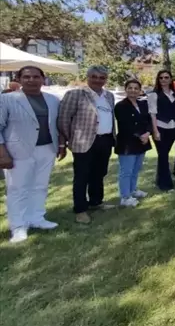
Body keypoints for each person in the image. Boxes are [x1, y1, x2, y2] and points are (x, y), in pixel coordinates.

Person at [0, 66, 65, 243]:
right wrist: (2, 153)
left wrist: (61, 144)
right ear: (19, 79)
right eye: (27, 77)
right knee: (18, 189)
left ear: (43, 79)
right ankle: (18, 226)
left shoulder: (52, 100)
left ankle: (37, 217)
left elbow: (56, 124)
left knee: (40, 185)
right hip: (18, 151)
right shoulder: (7, 99)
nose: (31, 80)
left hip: (47, 149)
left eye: (36, 77)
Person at [58, 65, 116, 224]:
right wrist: (71, 138)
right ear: (88, 77)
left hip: (105, 140)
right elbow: (64, 119)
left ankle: (96, 202)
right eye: (94, 77)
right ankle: (80, 209)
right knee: (82, 176)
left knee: (99, 173)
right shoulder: (75, 94)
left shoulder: (109, 95)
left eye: (102, 78)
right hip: (83, 141)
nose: (98, 80)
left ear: (106, 79)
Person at [114, 79, 151, 207]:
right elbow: (125, 125)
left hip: (142, 142)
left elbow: (148, 121)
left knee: (136, 169)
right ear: (126, 89)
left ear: (140, 90)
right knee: (126, 171)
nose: (133, 90)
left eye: (136, 88)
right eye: (130, 88)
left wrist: (147, 133)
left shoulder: (143, 104)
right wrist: (140, 135)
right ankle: (125, 197)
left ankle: (133, 190)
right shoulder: (120, 106)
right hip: (127, 143)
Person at [148, 70, 175, 192]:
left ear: (170, 79)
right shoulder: (154, 95)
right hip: (160, 128)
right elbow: (152, 114)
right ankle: (166, 185)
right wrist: (155, 131)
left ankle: (159, 180)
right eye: (161, 77)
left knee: (163, 155)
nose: (163, 79)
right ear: (158, 79)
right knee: (163, 156)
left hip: (174, 128)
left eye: (166, 77)